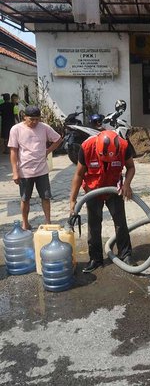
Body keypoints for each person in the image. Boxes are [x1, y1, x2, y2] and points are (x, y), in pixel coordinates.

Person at [69, 130, 135, 273]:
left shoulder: (124, 146)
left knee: (120, 222)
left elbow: (131, 167)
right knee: (94, 225)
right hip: (93, 191)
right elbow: (79, 174)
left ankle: (125, 255)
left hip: (114, 189)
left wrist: (127, 184)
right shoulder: (86, 147)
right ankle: (95, 259)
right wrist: (73, 200)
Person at [8, 105, 63, 230]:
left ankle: (48, 221)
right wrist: (15, 172)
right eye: (31, 119)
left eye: (37, 119)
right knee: (25, 198)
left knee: (46, 197)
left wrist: (47, 151)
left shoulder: (44, 128)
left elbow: (58, 139)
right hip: (24, 171)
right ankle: (25, 223)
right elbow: (13, 151)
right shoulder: (16, 129)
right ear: (24, 117)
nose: (34, 122)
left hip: (42, 170)